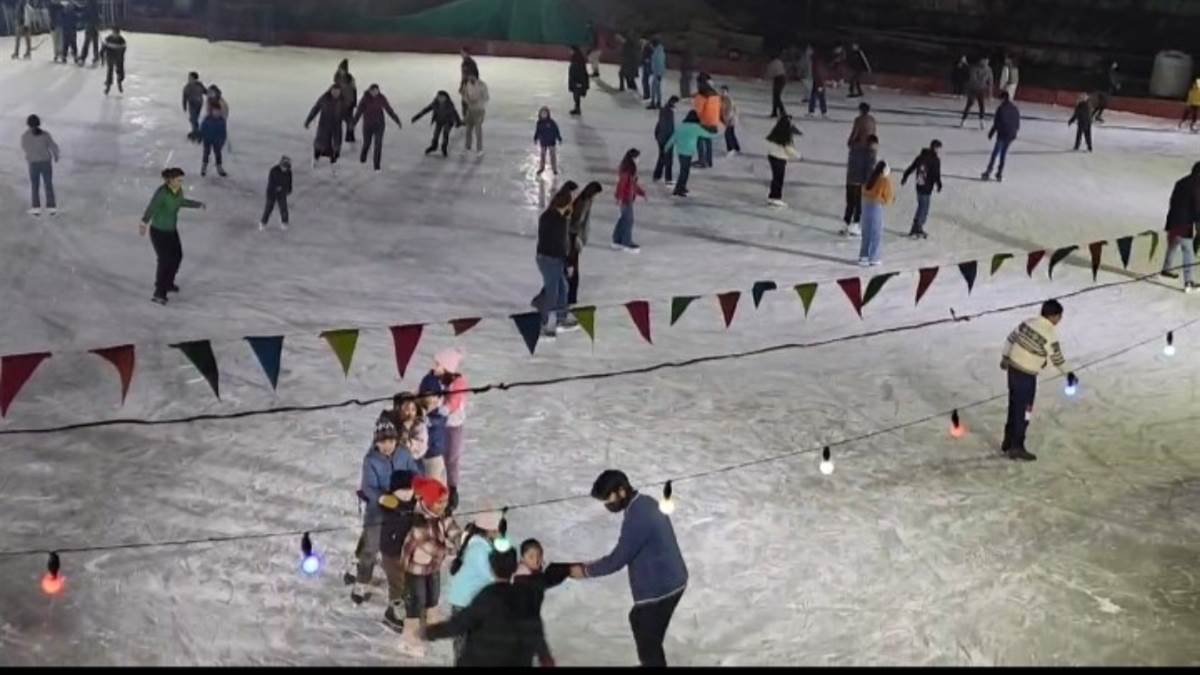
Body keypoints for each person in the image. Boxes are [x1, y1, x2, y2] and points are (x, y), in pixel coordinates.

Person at [569, 470, 688, 668]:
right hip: (670, 578)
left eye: (609, 499)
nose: (607, 505)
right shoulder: (643, 503)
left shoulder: (638, 516)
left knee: (647, 637)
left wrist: (584, 571)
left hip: (663, 588)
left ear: (622, 491)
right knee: (641, 624)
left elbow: (617, 559)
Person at [424, 547, 548, 667]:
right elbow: (535, 628)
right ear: (515, 567)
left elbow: (460, 624)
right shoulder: (524, 597)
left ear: (491, 568)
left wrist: (430, 632)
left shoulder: (486, 596)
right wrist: (545, 657)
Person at [349, 415, 423, 605]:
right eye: (383, 442)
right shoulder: (371, 460)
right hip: (378, 510)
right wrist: (382, 497)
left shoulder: (404, 454)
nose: (387, 445)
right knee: (371, 547)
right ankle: (362, 581)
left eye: (390, 440)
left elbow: (416, 473)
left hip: (401, 509)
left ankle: (404, 583)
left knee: (399, 547)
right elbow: (367, 487)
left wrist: (413, 489)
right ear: (376, 442)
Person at [1000, 300, 1075, 461]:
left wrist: (1005, 357)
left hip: (1012, 370)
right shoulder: (1049, 334)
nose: (1060, 320)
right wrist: (1069, 374)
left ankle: (1008, 440)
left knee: (1014, 405)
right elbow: (1058, 360)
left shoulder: (1028, 323)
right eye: (1059, 316)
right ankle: (1017, 446)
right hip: (1026, 376)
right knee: (1025, 411)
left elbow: (1010, 339)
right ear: (1054, 316)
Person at [398, 476, 464, 658]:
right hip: (416, 568)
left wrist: (461, 541)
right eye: (439, 502)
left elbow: (452, 528)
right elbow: (435, 549)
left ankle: (431, 624)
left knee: (433, 595)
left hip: (432, 566)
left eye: (445, 501)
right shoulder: (418, 523)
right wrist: (456, 550)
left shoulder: (441, 513)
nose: (443, 505)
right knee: (417, 600)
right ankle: (410, 638)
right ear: (428, 501)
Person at [446, 511, 505, 664]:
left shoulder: (479, 543)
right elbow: (490, 575)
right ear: (490, 530)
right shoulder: (479, 549)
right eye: (497, 529)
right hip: (465, 603)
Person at [139, 167, 205, 305]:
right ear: (170, 180)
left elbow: (181, 202)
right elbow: (152, 207)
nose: (181, 183)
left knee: (177, 256)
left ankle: (168, 283)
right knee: (165, 260)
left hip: (171, 230)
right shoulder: (162, 193)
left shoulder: (178, 191)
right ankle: (159, 292)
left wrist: (197, 204)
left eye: (181, 180)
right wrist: (144, 222)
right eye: (179, 180)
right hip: (159, 231)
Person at [513, 539, 572, 668]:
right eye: (531, 556)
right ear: (523, 558)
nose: (536, 560)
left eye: (539, 556)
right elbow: (545, 581)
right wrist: (568, 570)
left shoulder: (529, 573)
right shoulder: (523, 578)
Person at [535, 183, 579, 338]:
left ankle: (560, 318)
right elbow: (560, 245)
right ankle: (547, 325)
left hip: (547, 257)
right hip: (550, 259)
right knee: (553, 292)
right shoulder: (558, 221)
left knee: (563, 287)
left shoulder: (549, 215)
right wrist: (567, 264)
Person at [378, 469, 417, 633]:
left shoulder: (414, 502)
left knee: (405, 581)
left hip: (406, 550)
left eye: (410, 490)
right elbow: (382, 502)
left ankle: (395, 610)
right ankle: (393, 614)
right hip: (390, 551)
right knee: (396, 583)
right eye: (403, 491)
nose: (407, 494)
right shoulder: (389, 502)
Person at [435, 349, 469, 511]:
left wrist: (444, 410)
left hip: (454, 426)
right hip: (440, 426)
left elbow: (455, 400)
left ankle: (453, 489)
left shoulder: (459, 382)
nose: (435, 367)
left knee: (452, 458)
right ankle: (439, 489)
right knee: (439, 458)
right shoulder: (438, 379)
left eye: (438, 365)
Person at [1160, 162, 1200, 292]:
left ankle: (1166, 269)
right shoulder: (1196, 185)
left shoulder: (1181, 182)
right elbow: (1197, 207)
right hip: (1184, 223)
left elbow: (1172, 201)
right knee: (1188, 251)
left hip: (1172, 221)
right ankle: (1189, 281)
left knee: (1173, 245)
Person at [664, 110, 717, 198]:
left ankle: (682, 187)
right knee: (684, 172)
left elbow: (673, 138)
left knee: (684, 171)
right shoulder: (696, 127)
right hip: (688, 152)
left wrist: (666, 147)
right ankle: (678, 189)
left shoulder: (681, 126)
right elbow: (707, 135)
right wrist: (713, 131)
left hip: (680, 152)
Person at [352, 83, 402, 171]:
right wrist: (353, 124)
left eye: (376, 91)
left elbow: (389, 110)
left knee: (378, 145)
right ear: (370, 91)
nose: (375, 93)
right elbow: (358, 112)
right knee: (367, 143)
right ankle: (363, 157)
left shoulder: (381, 98)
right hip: (368, 126)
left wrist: (397, 120)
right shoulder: (365, 99)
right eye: (373, 91)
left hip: (379, 125)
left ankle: (376, 165)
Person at [567, 182, 602, 305]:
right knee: (572, 271)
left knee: (572, 270)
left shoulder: (586, 202)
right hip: (572, 240)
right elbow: (575, 222)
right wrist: (577, 238)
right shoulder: (582, 203)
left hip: (576, 239)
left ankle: (570, 297)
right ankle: (569, 298)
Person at [900, 140, 943, 239]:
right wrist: (939, 184)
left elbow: (912, 167)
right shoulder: (935, 160)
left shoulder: (921, 157)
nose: (939, 150)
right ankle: (917, 227)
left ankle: (916, 227)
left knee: (921, 206)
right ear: (935, 148)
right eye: (938, 148)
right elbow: (936, 174)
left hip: (919, 185)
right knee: (924, 208)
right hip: (927, 187)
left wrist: (905, 177)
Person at [21, 114, 60, 217]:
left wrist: (30, 156)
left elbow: (25, 148)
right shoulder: (45, 135)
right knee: (48, 184)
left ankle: (36, 208)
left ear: (28, 124)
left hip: (33, 164)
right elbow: (53, 146)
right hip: (46, 163)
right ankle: (51, 207)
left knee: (35, 185)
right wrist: (56, 155)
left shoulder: (25, 136)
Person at [842, 133, 878, 237]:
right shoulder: (869, 153)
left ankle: (846, 223)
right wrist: (869, 184)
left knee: (850, 204)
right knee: (858, 205)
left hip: (850, 181)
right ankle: (855, 225)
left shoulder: (853, 151)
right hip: (859, 182)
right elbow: (869, 169)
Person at [858, 160, 894, 266]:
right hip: (875, 207)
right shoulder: (884, 180)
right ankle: (874, 257)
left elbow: (863, 190)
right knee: (876, 233)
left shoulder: (870, 178)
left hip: (865, 206)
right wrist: (890, 200)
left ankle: (863, 256)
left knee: (866, 233)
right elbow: (888, 198)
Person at [417, 373, 450, 486]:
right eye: (428, 395)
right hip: (423, 457)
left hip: (435, 457)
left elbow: (437, 422)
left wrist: (426, 417)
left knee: (436, 487)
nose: (432, 399)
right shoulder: (419, 414)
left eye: (435, 395)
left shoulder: (439, 414)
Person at [612, 148, 646, 252]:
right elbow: (621, 185)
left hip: (628, 197)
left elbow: (633, 184)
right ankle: (626, 242)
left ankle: (617, 240)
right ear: (633, 158)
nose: (639, 160)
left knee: (624, 218)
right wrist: (620, 198)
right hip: (626, 198)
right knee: (628, 220)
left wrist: (641, 192)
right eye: (638, 158)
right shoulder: (627, 170)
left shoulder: (630, 169)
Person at [982, 91, 1020, 182]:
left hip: (1003, 134)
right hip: (1011, 135)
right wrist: (1014, 133)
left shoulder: (1001, 108)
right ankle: (999, 173)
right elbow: (1018, 123)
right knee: (1003, 154)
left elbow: (996, 123)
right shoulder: (1015, 108)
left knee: (995, 154)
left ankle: (988, 171)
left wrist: (991, 133)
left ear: (1003, 99)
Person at [304, 84, 344, 170]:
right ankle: (316, 158)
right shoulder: (324, 98)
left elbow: (347, 113)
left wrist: (351, 123)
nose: (336, 93)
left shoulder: (342, 100)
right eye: (334, 91)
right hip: (324, 124)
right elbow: (315, 109)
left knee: (336, 144)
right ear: (331, 90)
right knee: (320, 143)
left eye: (338, 92)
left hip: (336, 126)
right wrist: (308, 120)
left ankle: (333, 161)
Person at [412, 90, 461, 157]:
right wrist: (417, 116)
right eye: (438, 97)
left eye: (441, 97)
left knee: (445, 133)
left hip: (448, 121)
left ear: (445, 98)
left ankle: (444, 147)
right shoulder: (435, 103)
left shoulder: (449, 104)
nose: (439, 98)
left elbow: (455, 113)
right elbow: (426, 110)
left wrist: (458, 122)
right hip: (439, 121)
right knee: (436, 134)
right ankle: (434, 146)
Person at [765, 115, 801, 208]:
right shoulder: (784, 134)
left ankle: (772, 196)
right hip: (779, 158)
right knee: (779, 179)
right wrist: (799, 156)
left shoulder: (777, 130)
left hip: (772, 156)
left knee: (776, 178)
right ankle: (776, 198)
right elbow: (788, 149)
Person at [199, 85, 229, 178]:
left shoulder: (222, 104)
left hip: (216, 138)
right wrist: (201, 135)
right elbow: (203, 128)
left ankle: (219, 168)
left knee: (217, 152)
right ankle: (203, 168)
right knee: (206, 151)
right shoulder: (207, 120)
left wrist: (222, 139)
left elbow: (223, 131)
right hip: (208, 137)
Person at [691, 76, 721, 169]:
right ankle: (709, 160)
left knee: (699, 139)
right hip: (714, 122)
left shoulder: (701, 96)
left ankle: (702, 161)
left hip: (705, 122)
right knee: (708, 140)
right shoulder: (715, 94)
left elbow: (698, 111)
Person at [259, 156, 292, 231]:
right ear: (280, 165)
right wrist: (277, 187)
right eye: (284, 167)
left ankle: (284, 222)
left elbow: (289, 181)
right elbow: (271, 182)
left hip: (282, 193)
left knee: (284, 208)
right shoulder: (273, 170)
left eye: (286, 167)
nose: (285, 169)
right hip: (271, 193)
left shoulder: (289, 172)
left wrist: (289, 189)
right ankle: (263, 222)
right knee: (268, 208)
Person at [460, 72, 489, 155]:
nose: (470, 77)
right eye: (469, 76)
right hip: (470, 110)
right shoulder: (467, 84)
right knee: (468, 130)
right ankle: (467, 147)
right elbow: (464, 95)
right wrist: (468, 100)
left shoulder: (482, 85)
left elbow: (486, 97)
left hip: (479, 110)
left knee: (478, 130)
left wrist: (477, 101)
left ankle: (480, 149)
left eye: (471, 76)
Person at [652, 96, 678, 185]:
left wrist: (657, 136)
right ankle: (668, 179)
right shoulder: (670, 114)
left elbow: (658, 125)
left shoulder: (662, 111)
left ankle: (657, 175)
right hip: (667, 140)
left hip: (660, 139)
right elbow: (669, 129)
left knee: (661, 157)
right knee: (669, 160)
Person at [960, 57, 991, 129]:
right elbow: (972, 79)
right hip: (974, 89)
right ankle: (963, 120)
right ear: (981, 60)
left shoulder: (989, 69)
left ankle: (981, 121)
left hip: (981, 90)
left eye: (987, 61)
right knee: (969, 104)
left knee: (982, 106)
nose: (986, 62)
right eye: (985, 60)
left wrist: (989, 92)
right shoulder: (975, 68)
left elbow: (990, 81)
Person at [333, 59, 357, 143]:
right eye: (340, 69)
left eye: (342, 69)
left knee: (349, 120)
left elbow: (354, 90)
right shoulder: (337, 77)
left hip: (349, 101)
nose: (340, 70)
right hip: (340, 101)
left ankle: (350, 135)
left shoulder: (350, 78)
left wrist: (354, 102)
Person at [533, 106, 562, 175]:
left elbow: (556, 130)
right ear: (540, 114)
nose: (544, 115)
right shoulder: (539, 123)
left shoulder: (551, 122)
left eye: (545, 113)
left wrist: (559, 138)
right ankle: (541, 168)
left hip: (551, 142)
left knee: (553, 156)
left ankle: (554, 169)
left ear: (548, 114)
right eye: (542, 113)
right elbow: (537, 131)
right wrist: (535, 138)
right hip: (543, 142)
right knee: (542, 155)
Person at [182, 72, 207, 142]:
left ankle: (196, 132)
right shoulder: (187, 87)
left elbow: (206, 92)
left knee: (194, 119)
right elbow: (184, 97)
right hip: (192, 104)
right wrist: (184, 106)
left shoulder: (200, 85)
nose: (189, 79)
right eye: (189, 78)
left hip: (199, 104)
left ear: (195, 79)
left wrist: (213, 95)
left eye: (190, 78)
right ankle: (196, 132)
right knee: (193, 119)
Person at [102, 26, 126, 95]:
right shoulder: (108, 38)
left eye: (117, 33)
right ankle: (108, 86)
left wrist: (120, 58)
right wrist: (102, 56)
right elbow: (103, 48)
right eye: (114, 33)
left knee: (120, 71)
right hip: (110, 57)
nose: (115, 35)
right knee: (110, 71)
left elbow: (123, 50)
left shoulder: (122, 40)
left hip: (118, 58)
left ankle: (119, 82)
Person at [568, 45, 589, 116]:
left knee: (576, 95)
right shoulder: (576, 58)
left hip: (578, 81)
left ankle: (577, 109)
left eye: (571, 50)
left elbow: (580, 72)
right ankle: (577, 108)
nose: (569, 52)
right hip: (576, 81)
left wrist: (579, 82)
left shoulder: (577, 59)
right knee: (576, 95)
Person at [719, 85, 741, 156]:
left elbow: (730, 111)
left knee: (727, 134)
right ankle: (736, 148)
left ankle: (730, 149)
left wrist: (727, 120)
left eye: (724, 91)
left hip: (731, 119)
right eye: (721, 91)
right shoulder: (722, 99)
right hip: (728, 119)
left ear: (727, 92)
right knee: (731, 133)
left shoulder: (728, 100)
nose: (722, 93)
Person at [765, 51, 788, 118]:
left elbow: (770, 74)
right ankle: (775, 112)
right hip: (783, 78)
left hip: (778, 79)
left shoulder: (772, 63)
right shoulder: (779, 61)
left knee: (776, 96)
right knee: (776, 96)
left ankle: (781, 112)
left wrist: (766, 77)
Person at [807, 48, 828, 117]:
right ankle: (819, 111)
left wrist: (820, 83)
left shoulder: (816, 61)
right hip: (817, 80)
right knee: (817, 96)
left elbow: (818, 72)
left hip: (819, 81)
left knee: (817, 96)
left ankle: (820, 111)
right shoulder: (815, 61)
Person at [459, 47, 479, 116]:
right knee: (465, 103)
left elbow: (475, 75)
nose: (461, 54)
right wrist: (462, 86)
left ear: (466, 53)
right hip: (466, 85)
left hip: (470, 85)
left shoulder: (470, 63)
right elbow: (463, 76)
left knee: (467, 103)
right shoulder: (464, 62)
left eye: (462, 53)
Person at [647, 37, 666, 110]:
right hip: (657, 72)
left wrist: (659, 74)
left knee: (654, 88)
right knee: (657, 88)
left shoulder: (658, 52)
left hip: (657, 73)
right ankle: (658, 102)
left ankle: (653, 103)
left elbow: (660, 63)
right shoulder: (658, 51)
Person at [77, 0, 98, 65]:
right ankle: (95, 57)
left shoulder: (91, 3)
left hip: (91, 23)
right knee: (92, 41)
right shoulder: (90, 2)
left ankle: (84, 57)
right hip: (91, 23)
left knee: (88, 41)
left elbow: (89, 12)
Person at [639, 34, 653, 100]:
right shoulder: (645, 46)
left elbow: (650, 55)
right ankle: (646, 94)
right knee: (644, 80)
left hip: (647, 65)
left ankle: (647, 95)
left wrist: (648, 60)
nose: (640, 41)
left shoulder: (648, 46)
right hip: (645, 65)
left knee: (645, 80)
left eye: (642, 40)